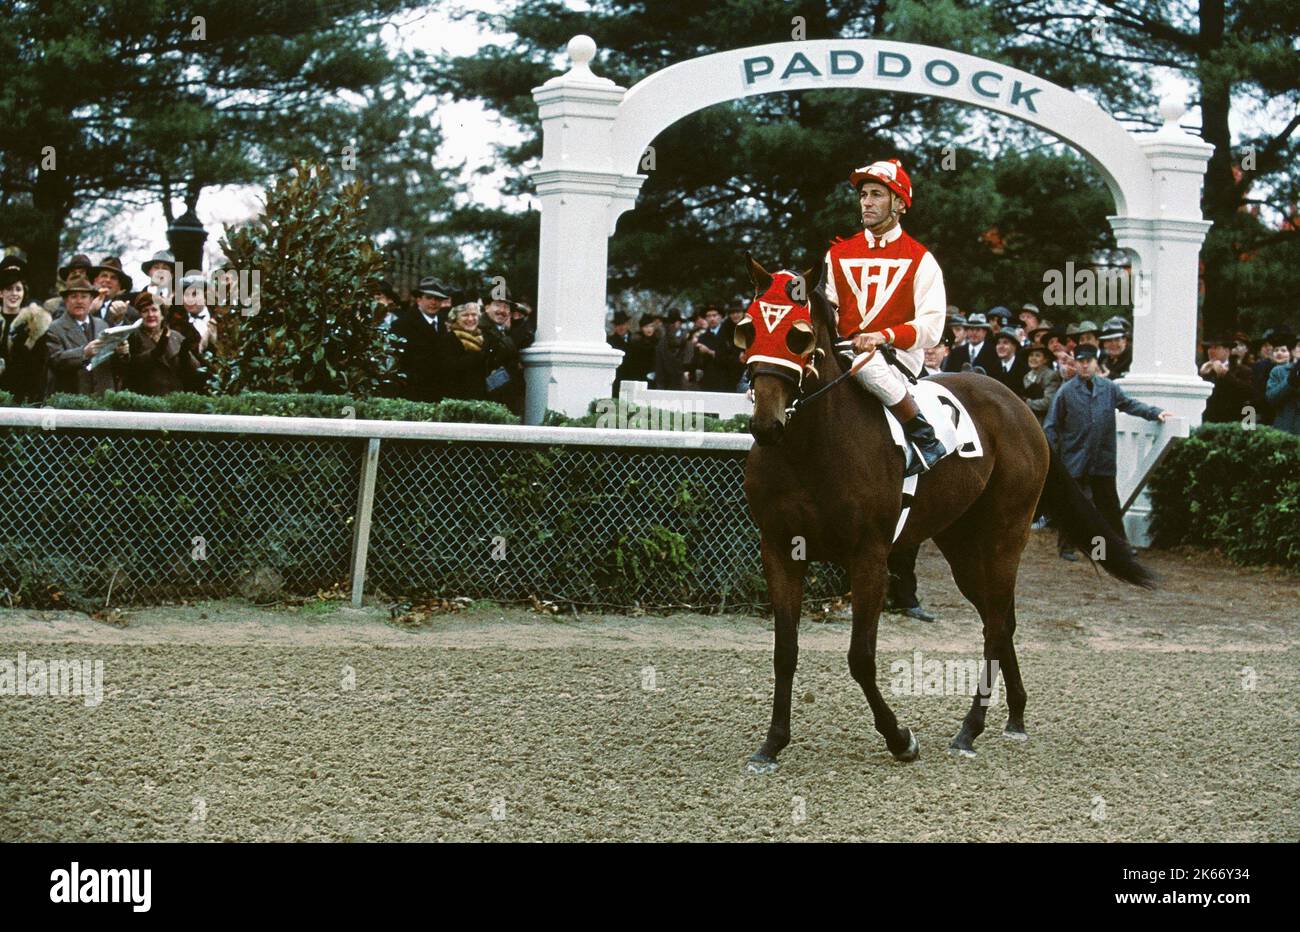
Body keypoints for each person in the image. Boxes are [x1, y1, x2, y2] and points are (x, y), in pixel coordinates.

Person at [817, 158, 947, 475]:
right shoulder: (837, 254)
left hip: (896, 355)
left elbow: (932, 327)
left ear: (899, 203)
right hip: (845, 350)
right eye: (863, 195)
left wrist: (882, 336)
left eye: (877, 194)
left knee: (865, 363)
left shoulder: (921, 258)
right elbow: (828, 310)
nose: (867, 202)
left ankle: (924, 435)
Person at [1043, 344, 1172, 561]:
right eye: (1081, 361)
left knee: (1109, 505)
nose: (1085, 365)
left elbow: (1130, 405)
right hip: (1074, 459)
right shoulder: (1066, 391)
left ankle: (1119, 547)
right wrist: (1055, 457)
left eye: (1089, 361)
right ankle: (1067, 547)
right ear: (1075, 363)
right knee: (1074, 505)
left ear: (1096, 363)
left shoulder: (1109, 388)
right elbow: (1051, 425)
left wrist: (1156, 412)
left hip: (1102, 459)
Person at [45, 271, 126, 395]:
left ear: (91, 300)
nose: (79, 301)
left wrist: (121, 353)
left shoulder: (102, 325)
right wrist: (83, 353)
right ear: (66, 301)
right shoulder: (54, 328)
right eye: (74, 297)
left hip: (103, 399)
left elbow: (112, 366)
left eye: (84, 296)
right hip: (71, 399)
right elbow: (56, 360)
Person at [125, 292, 203, 395]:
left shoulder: (176, 336)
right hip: (145, 399)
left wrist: (186, 357)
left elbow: (196, 370)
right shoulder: (133, 336)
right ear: (140, 315)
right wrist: (154, 353)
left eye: (154, 310)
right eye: (145, 311)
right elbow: (131, 367)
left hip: (175, 398)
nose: (150, 314)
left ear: (162, 315)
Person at [391, 276, 452, 403]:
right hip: (413, 394)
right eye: (429, 297)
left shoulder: (444, 323)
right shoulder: (402, 324)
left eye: (438, 299)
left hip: (441, 393)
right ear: (419, 300)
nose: (433, 302)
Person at [481, 292, 523, 414]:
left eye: (506, 307)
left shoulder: (504, 331)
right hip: (488, 401)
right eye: (497, 305)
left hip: (505, 399)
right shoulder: (479, 329)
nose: (502, 310)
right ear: (487, 307)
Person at [439, 300, 489, 400]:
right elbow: (449, 370)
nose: (470, 319)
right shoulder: (449, 339)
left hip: (483, 397)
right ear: (456, 318)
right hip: (458, 398)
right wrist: (476, 355)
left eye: (474, 314)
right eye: (465, 315)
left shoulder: (485, 337)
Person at [1199, 335, 1253, 423]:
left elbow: (1248, 392)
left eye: (1216, 347)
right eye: (1209, 348)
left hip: (1233, 419)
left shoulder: (1242, 370)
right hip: (1209, 420)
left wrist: (1226, 375)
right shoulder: (1204, 368)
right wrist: (1203, 376)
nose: (1211, 351)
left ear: (1227, 351)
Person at [1264, 336, 1300, 435]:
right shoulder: (1279, 371)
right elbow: (1271, 398)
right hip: (1285, 429)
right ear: (1293, 351)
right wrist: (1289, 382)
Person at [88, 257, 139, 325]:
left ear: (119, 288)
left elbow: (137, 332)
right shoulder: (80, 303)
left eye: (113, 278)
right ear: (95, 281)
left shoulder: (128, 311)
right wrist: (88, 312)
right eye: (104, 276)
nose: (108, 280)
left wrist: (119, 320)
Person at [692, 305, 732, 391]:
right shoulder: (702, 337)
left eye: (714, 315)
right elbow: (697, 362)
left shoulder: (729, 334)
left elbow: (730, 358)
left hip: (727, 380)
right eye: (709, 316)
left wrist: (710, 352)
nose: (712, 319)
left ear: (721, 317)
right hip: (708, 382)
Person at [1022, 343, 1061, 424]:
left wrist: (1026, 403)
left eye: (1037, 355)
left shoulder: (1050, 375)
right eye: (1031, 355)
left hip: (1045, 420)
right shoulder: (1026, 376)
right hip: (1029, 419)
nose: (1033, 358)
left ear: (1045, 359)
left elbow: (1048, 402)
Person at [654, 308, 692, 391]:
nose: (673, 325)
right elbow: (659, 366)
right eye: (670, 322)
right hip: (667, 381)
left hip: (683, 381)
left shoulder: (688, 339)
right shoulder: (662, 342)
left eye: (675, 322)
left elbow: (689, 361)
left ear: (679, 323)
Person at [989, 329, 1028, 397]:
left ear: (1014, 346)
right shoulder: (992, 367)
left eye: (1005, 343)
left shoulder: (1023, 369)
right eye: (998, 343)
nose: (1000, 346)